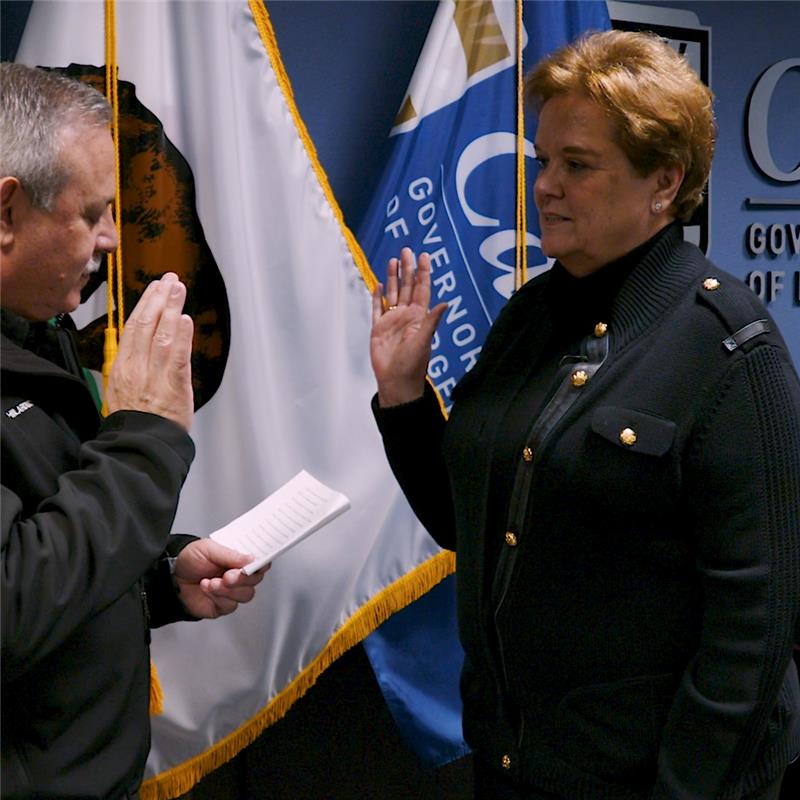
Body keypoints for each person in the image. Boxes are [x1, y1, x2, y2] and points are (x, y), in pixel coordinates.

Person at [369, 30, 800, 800]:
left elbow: (755, 631)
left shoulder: (731, 348)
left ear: (663, 182)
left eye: (578, 165)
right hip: (517, 765)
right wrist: (403, 395)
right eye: (543, 161)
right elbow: (465, 523)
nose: (545, 186)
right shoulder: (531, 316)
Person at [1, 63, 266, 798]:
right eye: (91, 214)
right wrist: (145, 438)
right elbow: (10, 610)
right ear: (6, 214)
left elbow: (42, 543)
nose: (113, 240)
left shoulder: (34, 330)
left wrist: (158, 582)